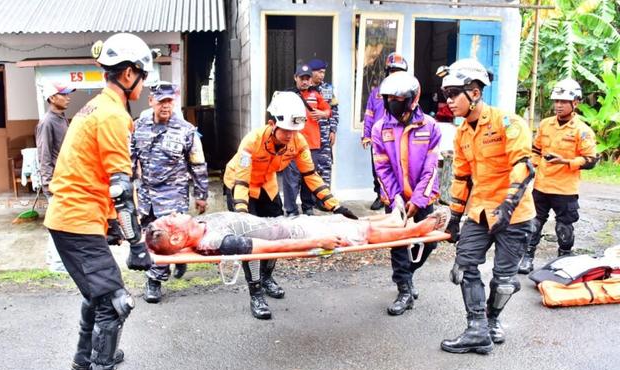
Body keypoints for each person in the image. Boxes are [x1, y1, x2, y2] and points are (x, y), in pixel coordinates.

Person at [44, 33, 155, 370]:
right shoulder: (113, 115)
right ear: (128, 74)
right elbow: (121, 186)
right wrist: (136, 244)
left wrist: (110, 223)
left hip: (74, 216)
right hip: (76, 219)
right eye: (143, 75)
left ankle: (83, 358)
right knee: (115, 300)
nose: (145, 84)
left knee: (98, 291)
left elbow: (90, 171)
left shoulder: (93, 107)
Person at [223, 90, 357, 320]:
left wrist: (335, 205)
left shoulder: (298, 141)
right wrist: (243, 214)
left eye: (294, 130)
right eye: (285, 130)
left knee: (277, 234)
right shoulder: (252, 141)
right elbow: (242, 180)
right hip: (239, 186)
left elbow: (311, 176)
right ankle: (255, 292)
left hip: (267, 186)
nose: (289, 135)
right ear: (272, 123)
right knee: (251, 241)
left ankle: (266, 277)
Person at [437, 58, 535, 354]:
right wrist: (454, 216)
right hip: (479, 212)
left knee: (505, 279)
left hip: (514, 214)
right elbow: (462, 177)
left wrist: (507, 205)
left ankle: (492, 322)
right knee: (464, 266)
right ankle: (477, 328)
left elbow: (524, 166)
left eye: (455, 93)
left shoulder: (508, 123)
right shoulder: (462, 132)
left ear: (475, 93)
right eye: (446, 95)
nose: (449, 101)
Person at [131, 81, 209, 303]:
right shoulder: (139, 126)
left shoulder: (186, 130)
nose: (165, 106)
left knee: (164, 237)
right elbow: (130, 159)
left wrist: (201, 195)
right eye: (161, 101)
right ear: (151, 101)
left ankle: (154, 281)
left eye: (169, 102)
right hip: (146, 196)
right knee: (150, 237)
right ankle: (176, 258)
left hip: (173, 195)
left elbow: (198, 164)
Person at [371, 71, 442, 315]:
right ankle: (404, 289)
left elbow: (431, 168)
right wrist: (396, 199)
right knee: (399, 244)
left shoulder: (430, 127)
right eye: (388, 98)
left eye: (397, 98)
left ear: (412, 99)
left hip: (423, 196)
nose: (392, 103)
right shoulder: (380, 128)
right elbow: (381, 167)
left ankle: (408, 275)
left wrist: (419, 199)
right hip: (395, 199)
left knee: (428, 243)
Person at [518, 78, 597, 274]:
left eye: (563, 101)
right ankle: (527, 258)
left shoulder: (583, 131)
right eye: (556, 101)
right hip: (541, 185)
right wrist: (531, 167)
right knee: (534, 222)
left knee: (564, 226)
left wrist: (566, 162)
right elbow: (536, 150)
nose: (558, 105)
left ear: (575, 103)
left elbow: (591, 160)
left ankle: (564, 259)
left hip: (565, 189)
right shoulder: (545, 125)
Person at [145, 207, 450, 256]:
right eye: (170, 221)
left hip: (290, 221)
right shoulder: (217, 241)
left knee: (355, 223)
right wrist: (316, 242)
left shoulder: (200, 225)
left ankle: (401, 223)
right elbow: (265, 249)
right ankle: (418, 231)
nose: (174, 214)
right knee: (362, 232)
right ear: (176, 237)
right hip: (299, 232)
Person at [36, 80, 75, 273]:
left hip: (66, 181)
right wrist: (48, 185)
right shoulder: (47, 122)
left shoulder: (61, 118)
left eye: (68, 94)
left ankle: (58, 261)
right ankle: (57, 264)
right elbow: (44, 155)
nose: (68, 97)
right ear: (52, 98)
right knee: (58, 224)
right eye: (64, 94)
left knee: (61, 222)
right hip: (56, 184)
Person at [282, 63, 331, 217]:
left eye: (307, 78)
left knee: (309, 177)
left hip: (313, 145)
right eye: (301, 78)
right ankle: (291, 209)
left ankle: (308, 207)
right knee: (291, 179)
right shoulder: (288, 95)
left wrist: (322, 114)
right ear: (295, 78)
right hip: (292, 144)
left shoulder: (316, 95)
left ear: (311, 80)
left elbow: (328, 110)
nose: (304, 81)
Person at [362, 52, 409, 211]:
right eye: (392, 71)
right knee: (378, 168)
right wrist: (366, 135)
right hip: (379, 138)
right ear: (387, 72)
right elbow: (369, 114)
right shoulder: (376, 92)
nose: (395, 74)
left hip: (399, 137)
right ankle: (380, 195)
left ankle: (400, 195)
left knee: (400, 167)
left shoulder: (408, 93)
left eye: (399, 71)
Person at [307, 58, 338, 190]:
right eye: (319, 72)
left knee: (325, 164)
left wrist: (333, 130)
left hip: (325, 133)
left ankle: (324, 198)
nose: (322, 75)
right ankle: (310, 197)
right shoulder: (305, 88)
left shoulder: (327, 89)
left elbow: (334, 110)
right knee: (309, 164)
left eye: (324, 72)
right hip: (308, 133)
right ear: (312, 72)